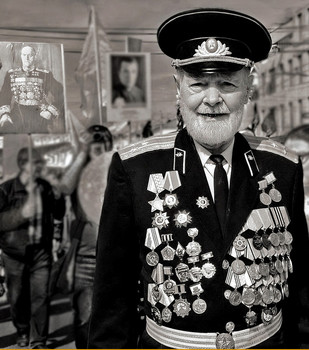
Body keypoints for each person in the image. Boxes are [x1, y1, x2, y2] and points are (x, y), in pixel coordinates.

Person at [87, 8, 309, 349]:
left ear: (248, 87)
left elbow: (301, 291)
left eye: (227, 83)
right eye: (199, 83)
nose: (212, 99)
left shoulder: (283, 168)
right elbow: (111, 298)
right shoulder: (134, 169)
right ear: (178, 86)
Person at [0, 147, 65, 349]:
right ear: (23, 165)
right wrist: (22, 213)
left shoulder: (45, 187)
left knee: (40, 297)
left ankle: (39, 340)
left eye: (40, 162)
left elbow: (59, 214)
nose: (39, 166)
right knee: (17, 297)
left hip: (40, 252)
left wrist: (57, 192)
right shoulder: (6, 189)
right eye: (35, 163)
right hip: (14, 254)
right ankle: (22, 329)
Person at [59, 124, 113, 348]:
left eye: (103, 146)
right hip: (86, 258)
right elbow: (63, 186)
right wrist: (82, 153)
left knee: (113, 317)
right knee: (85, 317)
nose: (98, 151)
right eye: (94, 147)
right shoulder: (79, 175)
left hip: (114, 256)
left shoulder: (116, 168)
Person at [0, 44, 64, 134]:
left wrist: (50, 111)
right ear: (21, 56)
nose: (27, 58)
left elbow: (61, 92)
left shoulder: (45, 75)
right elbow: (4, 96)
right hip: (18, 113)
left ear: (34, 57)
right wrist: (4, 114)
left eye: (30, 55)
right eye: (24, 55)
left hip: (38, 114)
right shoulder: (11, 74)